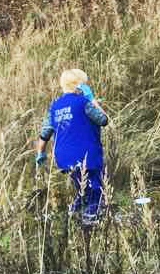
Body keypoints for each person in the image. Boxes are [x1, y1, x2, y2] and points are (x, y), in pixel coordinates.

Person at [34, 69, 109, 226]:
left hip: (63, 158)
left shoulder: (55, 107)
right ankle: (90, 220)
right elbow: (103, 119)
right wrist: (92, 99)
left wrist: (40, 153)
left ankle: (73, 212)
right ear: (80, 86)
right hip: (87, 155)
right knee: (96, 188)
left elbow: (44, 133)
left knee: (82, 187)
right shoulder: (84, 103)